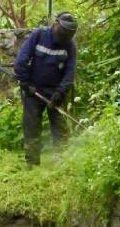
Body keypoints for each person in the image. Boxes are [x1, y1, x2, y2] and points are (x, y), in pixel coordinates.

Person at [13, 12, 78, 166]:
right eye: (61, 34)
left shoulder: (70, 46)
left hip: (56, 93)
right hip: (33, 89)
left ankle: (61, 162)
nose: (62, 39)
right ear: (55, 25)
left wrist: (60, 92)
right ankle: (32, 163)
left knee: (60, 129)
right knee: (32, 126)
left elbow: (70, 73)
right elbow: (21, 61)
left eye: (66, 36)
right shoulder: (39, 35)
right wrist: (26, 82)